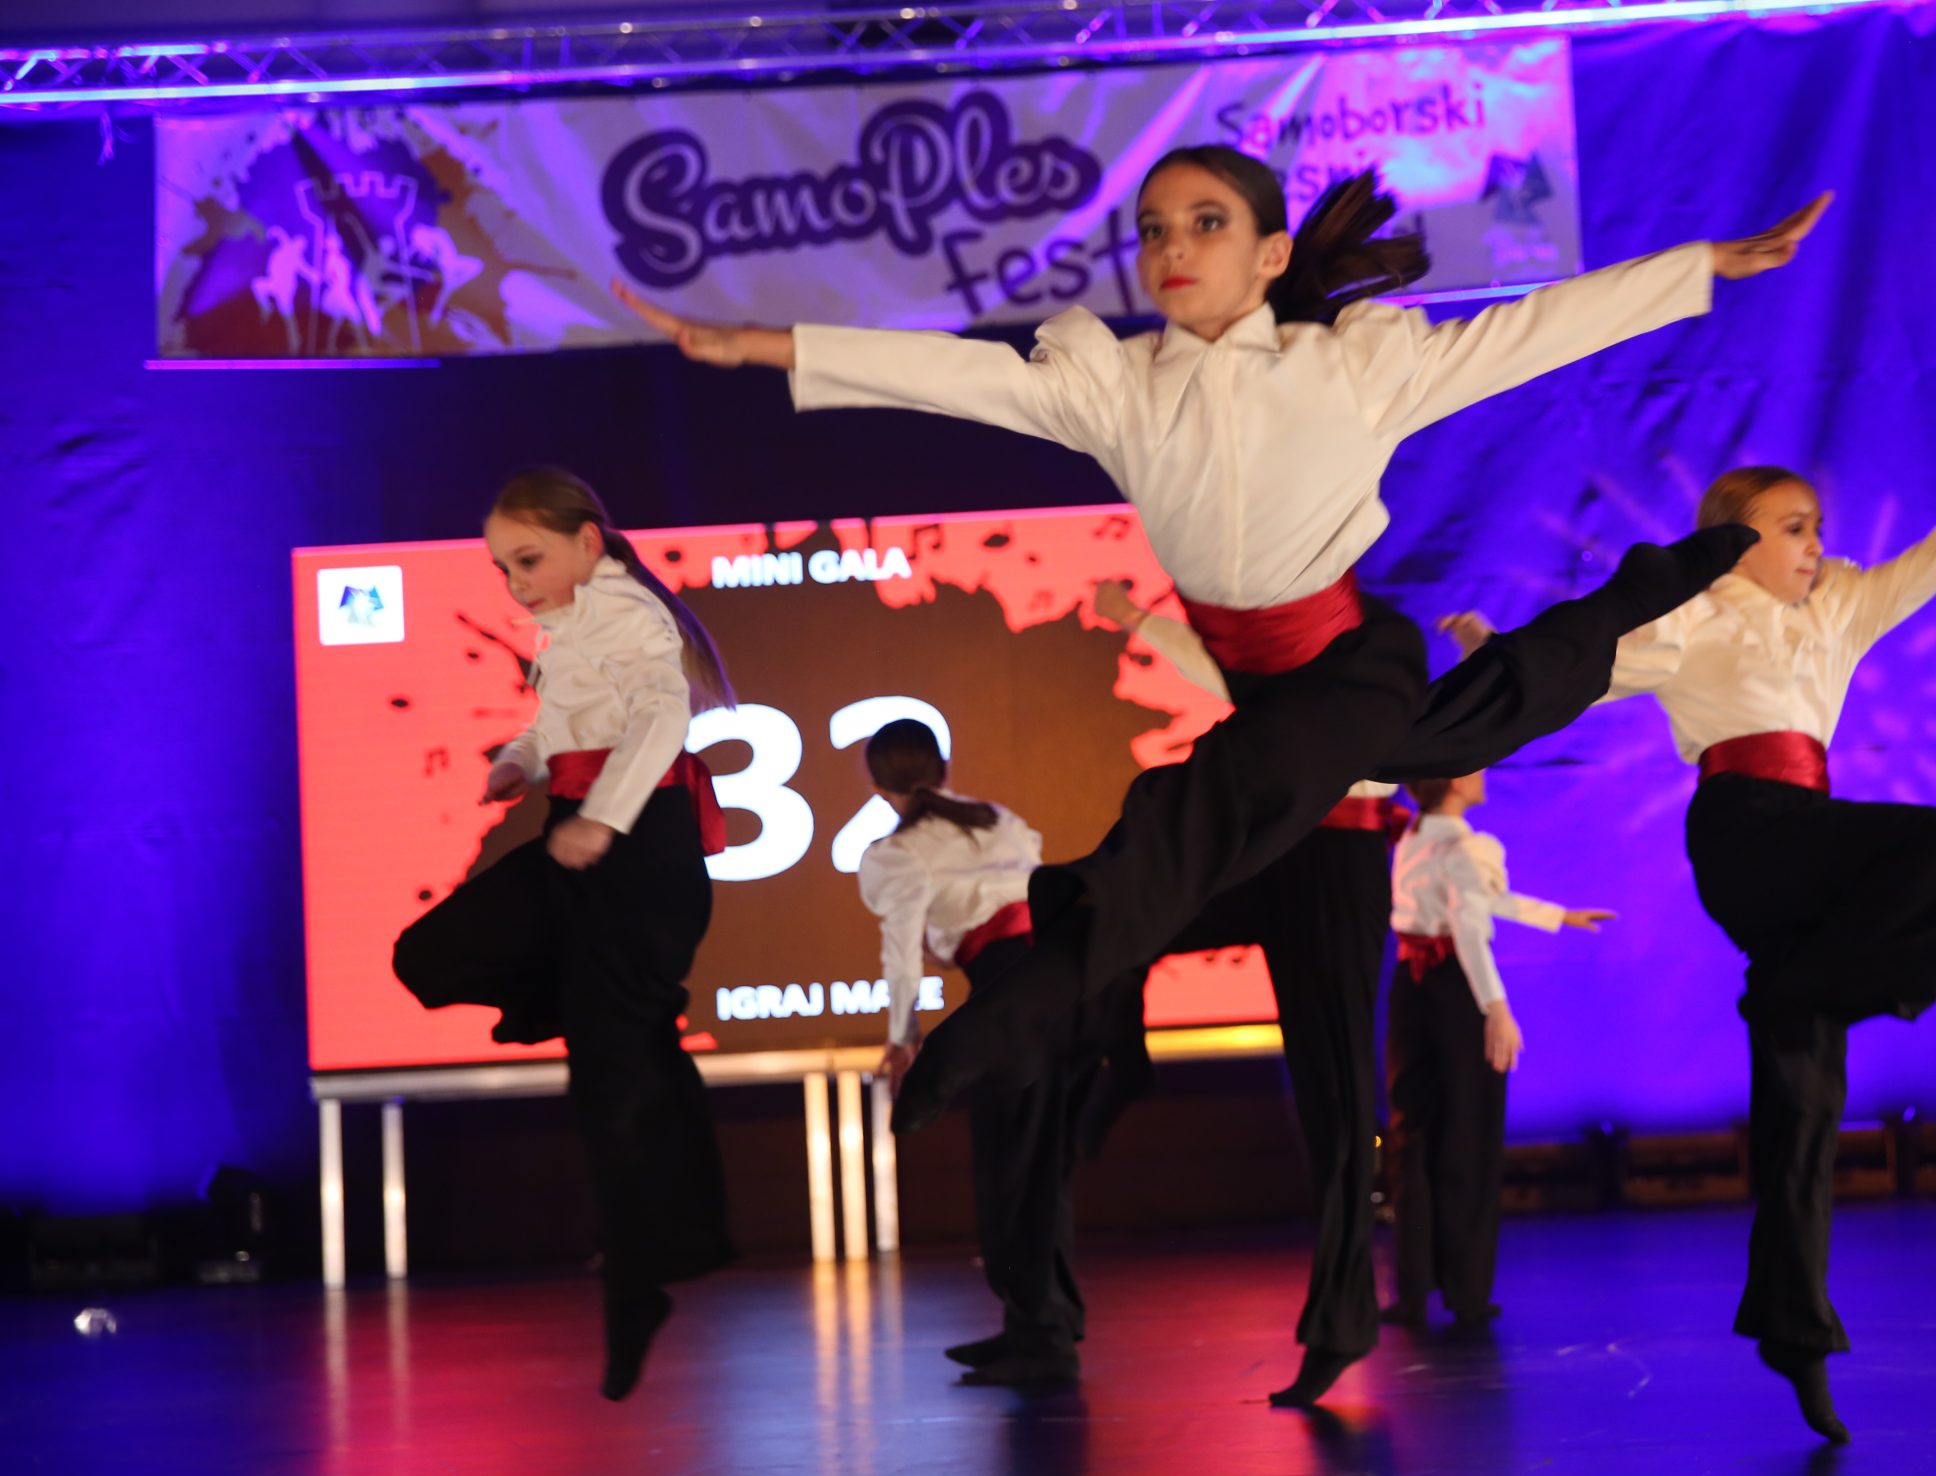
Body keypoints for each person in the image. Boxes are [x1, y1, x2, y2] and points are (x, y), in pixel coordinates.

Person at [612, 151, 1830, 1284]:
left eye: (1205, 224)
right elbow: (951, 376)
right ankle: (1053, 1022)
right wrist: (754, 346)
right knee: (1263, 794)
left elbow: (1530, 330)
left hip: (1349, 663)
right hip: (1269, 696)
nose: (1173, 249)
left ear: (1269, 253)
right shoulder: (1116, 390)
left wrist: (1703, 266)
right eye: (1153, 231)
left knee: (1193, 816)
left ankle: (1005, 1018)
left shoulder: (1352, 369)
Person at [1453, 362, 1936, 1442]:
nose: (1816, 544)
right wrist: (1492, 655)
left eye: (1817, 527)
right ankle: (1794, 991)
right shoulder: (1692, 615)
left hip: (1817, 844)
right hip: (1746, 832)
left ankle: (1797, 1334)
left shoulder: (1838, 610)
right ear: (1736, 541)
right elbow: (1582, 666)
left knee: (1807, 1106)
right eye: (1794, 528)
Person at [392, 467, 736, 1401]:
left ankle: (639, 1286)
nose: (516, 583)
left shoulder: (628, 613)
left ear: (588, 541)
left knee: (614, 1080)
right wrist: (518, 760)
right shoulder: (576, 621)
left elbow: (661, 716)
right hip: (584, 835)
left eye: (529, 559)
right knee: (431, 957)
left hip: (638, 850)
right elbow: (558, 725)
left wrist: (604, 821)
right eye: (504, 568)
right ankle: (659, 1251)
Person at [1090, 580, 1409, 1404]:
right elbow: (1211, 666)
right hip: (1275, 856)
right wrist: (1138, 619)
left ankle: (1340, 1321)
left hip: (1339, 867)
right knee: (1126, 920)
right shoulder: (1290, 674)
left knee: (1335, 1091)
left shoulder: (1380, 676)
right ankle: (1124, 1057)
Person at [856, 718, 1138, 1387]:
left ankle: (1042, 1335)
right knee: (1038, 1162)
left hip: (1013, 997)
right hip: (1071, 981)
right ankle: (1038, 1322)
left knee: (1013, 1166)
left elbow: (902, 950)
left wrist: (902, 1036)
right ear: (944, 765)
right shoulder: (998, 819)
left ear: (877, 787)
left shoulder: (900, 850)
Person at [1384, 770, 1611, 1329]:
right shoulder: (1468, 845)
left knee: (1413, 1134)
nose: (1483, 774)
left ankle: (1413, 1287)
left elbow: (1480, 899)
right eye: (1475, 767)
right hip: (1457, 988)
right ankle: (1466, 1291)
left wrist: (1556, 915)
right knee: (1469, 1133)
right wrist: (1496, 1008)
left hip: (1410, 989)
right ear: (1455, 781)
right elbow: (1468, 926)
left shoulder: (1414, 835)